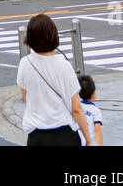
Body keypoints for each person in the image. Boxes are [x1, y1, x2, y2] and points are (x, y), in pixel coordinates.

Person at [16, 13, 92, 147]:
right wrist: (89, 140)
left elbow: (26, 98)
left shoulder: (25, 63)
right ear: (53, 35)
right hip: (64, 134)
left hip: (37, 136)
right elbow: (76, 108)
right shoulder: (64, 65)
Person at [77, 74, 103, 147]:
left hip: (78, 141)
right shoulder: (96, 111)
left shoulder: (77, 107)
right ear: (94, 93)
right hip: (91, 143)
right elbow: (97, 129)